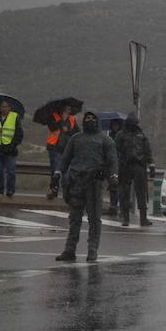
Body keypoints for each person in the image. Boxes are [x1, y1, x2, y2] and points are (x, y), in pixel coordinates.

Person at [57, 110, 117, 263]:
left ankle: (92, 250)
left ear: (97, 121)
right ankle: (70, 250)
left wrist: (113, 177)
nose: (89, 120)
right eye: (87, 118)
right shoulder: (76, 139)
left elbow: (112, 161)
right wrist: (58, 173)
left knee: (94, 219)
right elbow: (65, 158)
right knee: (74, 218)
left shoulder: (106, 140)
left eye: (92, 118)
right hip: (76, 181)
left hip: (94, 183)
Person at [115, 114, 155, 227]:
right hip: (125, 166)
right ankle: (126, 218)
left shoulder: (141, 135)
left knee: (141, 193)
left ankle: (143, 219)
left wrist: (151, 164)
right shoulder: (121, 135)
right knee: (124, 193)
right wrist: (115, 165)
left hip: (139, 166)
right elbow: (114, 150)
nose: (134, 125)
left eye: (135, 123)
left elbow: (147, 150)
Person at [0, 99, 23, 197]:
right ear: (0, 107)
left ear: (10, 107)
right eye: (3, 106)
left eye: (6, 106)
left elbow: (19, 134)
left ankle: (10, 190)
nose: (4, 108)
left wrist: (13, 145)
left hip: (10, 149)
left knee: (11, 171)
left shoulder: (14, 116)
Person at [46, 105, 78, 199]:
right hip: (54, 147)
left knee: (66, 173)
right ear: (61, 109)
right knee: (55, 171)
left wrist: (68, 130)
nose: (68, 111)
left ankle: (66, 192)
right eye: (67, 109)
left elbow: (76, 132)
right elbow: (52, 127)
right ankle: (54, 190)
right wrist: (61, 121)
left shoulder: (72, 119)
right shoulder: (53, 116)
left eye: (69, 109)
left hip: (67, 149)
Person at [106, 117, 124, 214]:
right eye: (113, 125)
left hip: (120, 163)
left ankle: (120, 207)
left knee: (119, 186)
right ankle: (113, 206)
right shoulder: (109, 137)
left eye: (116, 125)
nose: (115, 127)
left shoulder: (121, 136)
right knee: (113, 185)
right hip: (112, 163)